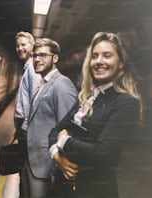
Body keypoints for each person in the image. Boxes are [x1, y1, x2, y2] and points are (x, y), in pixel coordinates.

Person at [49, 32, 144, 198]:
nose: (99, 61)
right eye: (94, 56)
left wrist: (64, 141)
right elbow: (55, 130)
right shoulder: (86, 96)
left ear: (120, 63)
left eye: (107, 56)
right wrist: (57, 157)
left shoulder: (126, 103)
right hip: (62, 188)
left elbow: (101, 152)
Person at [20, 38, 78, 197]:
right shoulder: (43, 82)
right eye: (35, 56)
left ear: (55, 58)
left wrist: (57, 168)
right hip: (31, 160)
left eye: (43, 55)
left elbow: (68, 129)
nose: (37, 59)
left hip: (46, 166)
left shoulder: (62, 85)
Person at [3, 31, 41, 198]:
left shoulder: (32, 69)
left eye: (23, 44)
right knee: (23, 176)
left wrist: (24, 130)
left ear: (32, 46)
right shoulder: (28, 68)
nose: (20, 48)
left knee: (26, 178)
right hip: (25, 133)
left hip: (29, 135)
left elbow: (36, 101)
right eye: (18, 45)